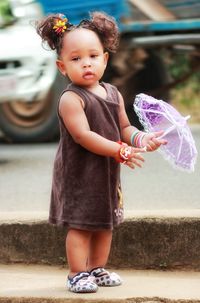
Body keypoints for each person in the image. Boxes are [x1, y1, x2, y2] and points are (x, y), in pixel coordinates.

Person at [35, 11, 167, 293]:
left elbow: (124, 127)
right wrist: (122, 151)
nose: (86, 64)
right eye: (76, 59)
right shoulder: (71, 99)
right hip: (79, 174)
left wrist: (142, 139)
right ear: (62, 67)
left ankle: (96, 268)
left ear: (105, 59)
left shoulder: (113, 93)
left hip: (106, 172)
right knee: (81, 225)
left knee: (105, 223)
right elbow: (84, 136)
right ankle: (76, 273)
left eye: (93, 56)